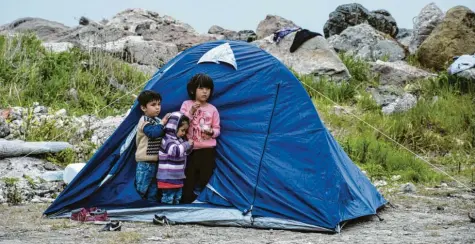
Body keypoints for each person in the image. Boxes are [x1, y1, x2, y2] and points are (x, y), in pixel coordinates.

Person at [180, 73, 221, 203]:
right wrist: (191, 111)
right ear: (193, 90)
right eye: (201, 88)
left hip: (207, 150)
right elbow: (180, 123)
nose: (205, 92)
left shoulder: (212, 109)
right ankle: (186, 199)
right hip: (190, 149)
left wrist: (211, 132)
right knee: (188, 176)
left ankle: (203, 199)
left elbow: (217, 129)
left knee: (206, 176)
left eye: (208, 89)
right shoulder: (187, 104)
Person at [135, 90, 170, 201]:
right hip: (144, 162)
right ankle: (137, 205)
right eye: (153, 105)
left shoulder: (158, 120)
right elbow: (153, 133)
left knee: (153, 188)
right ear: (143, 108)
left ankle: (150, 207)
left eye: (159, 104)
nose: (157, 107)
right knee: (142, 187)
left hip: (155, 161)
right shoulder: (144, 121)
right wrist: (163, 123)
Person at [157, 112, 194, 204]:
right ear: (173, 127)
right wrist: (187, 144)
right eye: (182, 130)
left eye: (185, 131)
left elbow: (185, 152)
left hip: (178, 176)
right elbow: (176, 151)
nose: (184, 133)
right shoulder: (166, 140)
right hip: (168, 177)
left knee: (177, 197)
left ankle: (173, 215)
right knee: (168, 198)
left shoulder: (179, 140)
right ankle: (164, 214)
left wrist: (190, 146)